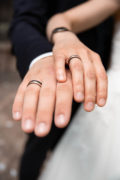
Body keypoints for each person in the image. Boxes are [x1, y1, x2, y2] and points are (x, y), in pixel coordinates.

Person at [10, 0, 119, 179]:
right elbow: (31, 20)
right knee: (38, 145)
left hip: (100, 83)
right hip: (60, 75)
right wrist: (58, 42)